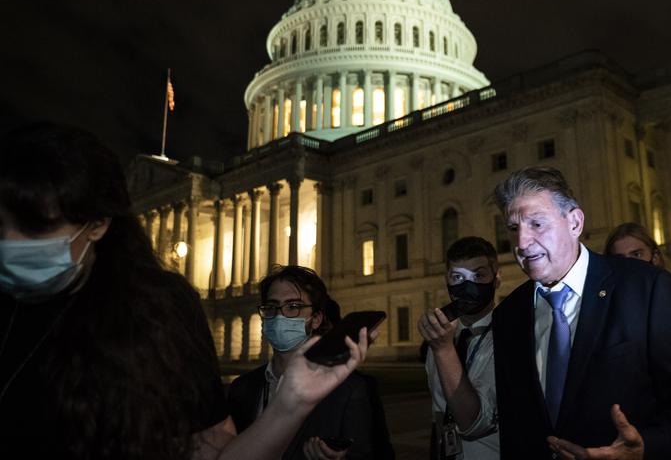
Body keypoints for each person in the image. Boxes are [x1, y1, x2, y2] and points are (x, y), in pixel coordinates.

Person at [0, 123, 370, 460]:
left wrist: (292, 401)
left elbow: (212, 451)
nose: (12, 243)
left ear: (97, 223)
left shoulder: (159, 311)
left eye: (37, 226)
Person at [491, 166, 671, 459]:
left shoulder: (645, 288)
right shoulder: (508, 314)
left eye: (537, 224)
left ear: (574, 222)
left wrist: (646, 447)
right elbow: (514, 423)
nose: (521, 243)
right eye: (513, 229)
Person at [228, 266, 378, 460]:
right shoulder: (241, 388)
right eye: (271, 307)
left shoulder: (350, 390)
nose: (280, 315)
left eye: (293, 306)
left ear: (316, 319)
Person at [417, 236, 500, 459]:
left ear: (496, 279)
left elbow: (475, 422)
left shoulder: (509, 337)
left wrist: (444, 350)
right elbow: (438, 410)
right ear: (447, 281)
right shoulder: (439, 339)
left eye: (479, 275)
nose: (467, 285)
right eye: (457, 277)